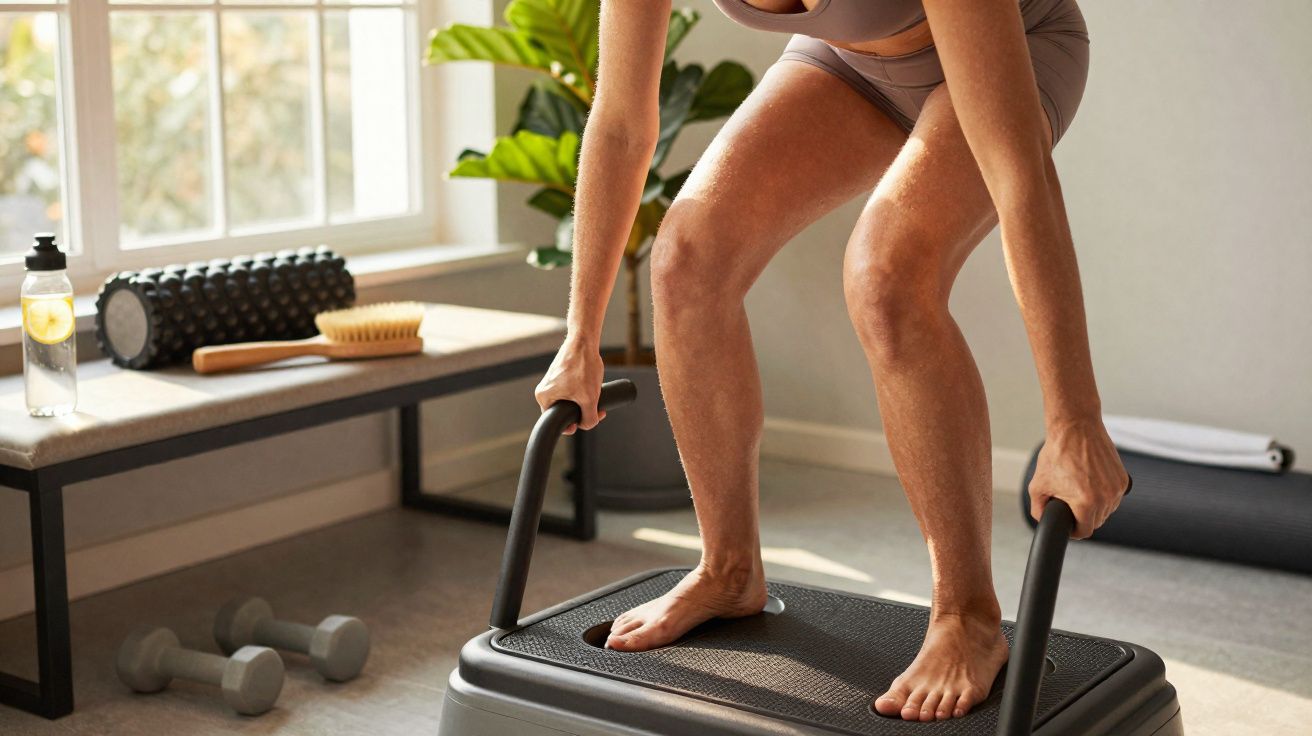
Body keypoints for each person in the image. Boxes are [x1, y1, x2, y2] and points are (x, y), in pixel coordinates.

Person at [534, 0, 1130, 723]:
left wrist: (1074, 418)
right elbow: (622, 125)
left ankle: (967, 614)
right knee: (687, 257)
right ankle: (728, 569)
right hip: (849, 63)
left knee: (886, 275)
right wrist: (580, 336)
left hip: (1018, 48)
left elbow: (1017, 173)